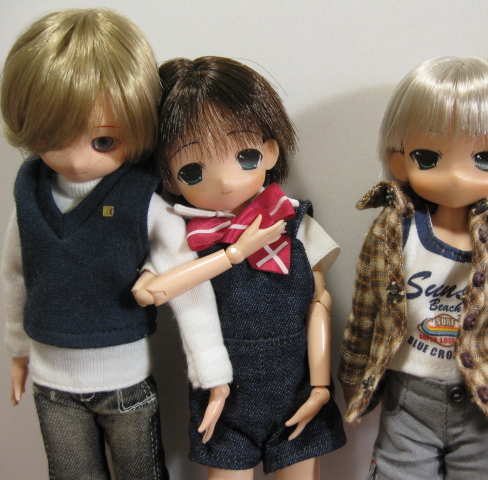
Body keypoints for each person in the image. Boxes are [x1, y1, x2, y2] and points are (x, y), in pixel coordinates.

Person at [0, 10, 278, 479]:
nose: (77, 160)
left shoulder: (142, 200)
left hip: (124, 379)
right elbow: (14, 272)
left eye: (103, 141)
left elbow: (188, 287)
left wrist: (213, 372)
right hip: (50, 381)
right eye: (52, 138)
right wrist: (17, 348)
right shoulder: (29, 194)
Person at [338, 56, 488, 480]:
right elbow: (365, 314)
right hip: (407, 401)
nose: (455, 176)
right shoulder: (392, 232)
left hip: (484, 403)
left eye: (483, 158)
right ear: (400, 162)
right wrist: (354, 384)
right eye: (428, 157)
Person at [138, 56, 346, 480]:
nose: (225, 181)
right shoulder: (182, 239)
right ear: (170, 179)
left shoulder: (293, 222)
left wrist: (321, 385)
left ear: (270, 151)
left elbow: (318, 303)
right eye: (193, 169)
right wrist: (233, 253)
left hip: (297, 389)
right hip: (224, 395)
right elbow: (153, 290)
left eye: (244, 156)